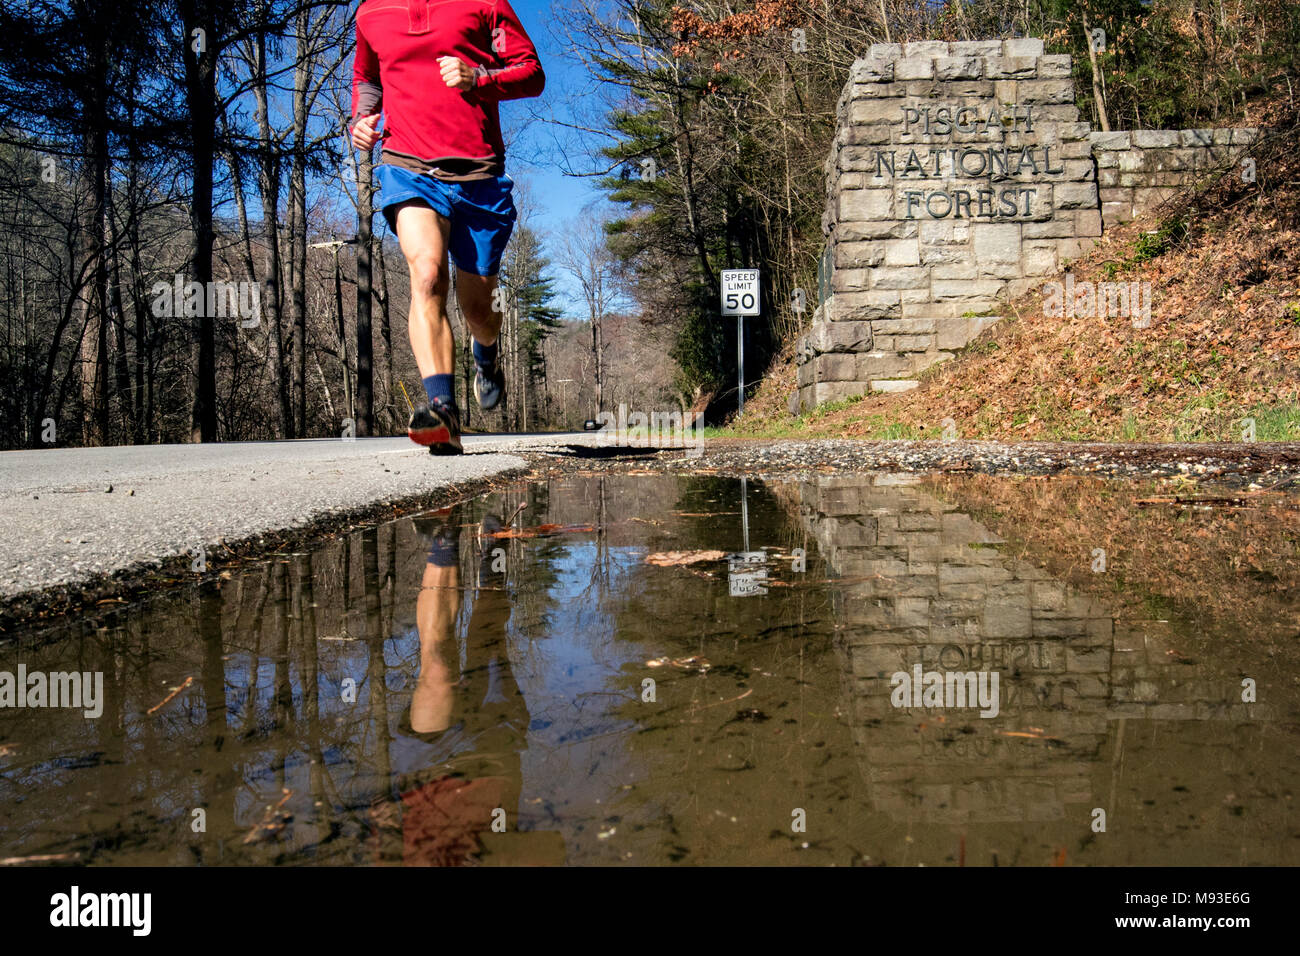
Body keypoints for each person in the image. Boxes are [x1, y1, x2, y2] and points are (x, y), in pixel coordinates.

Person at [350, 0, 545, 454]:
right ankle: (443, 411)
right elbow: (367, 79)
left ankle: (486, 354)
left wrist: (479, 77)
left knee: (479, 311)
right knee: (427, 275)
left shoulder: (485, 4)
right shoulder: (371, 12)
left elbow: (531, 73)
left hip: (479, 174)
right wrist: (362, 119)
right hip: (408, 166)